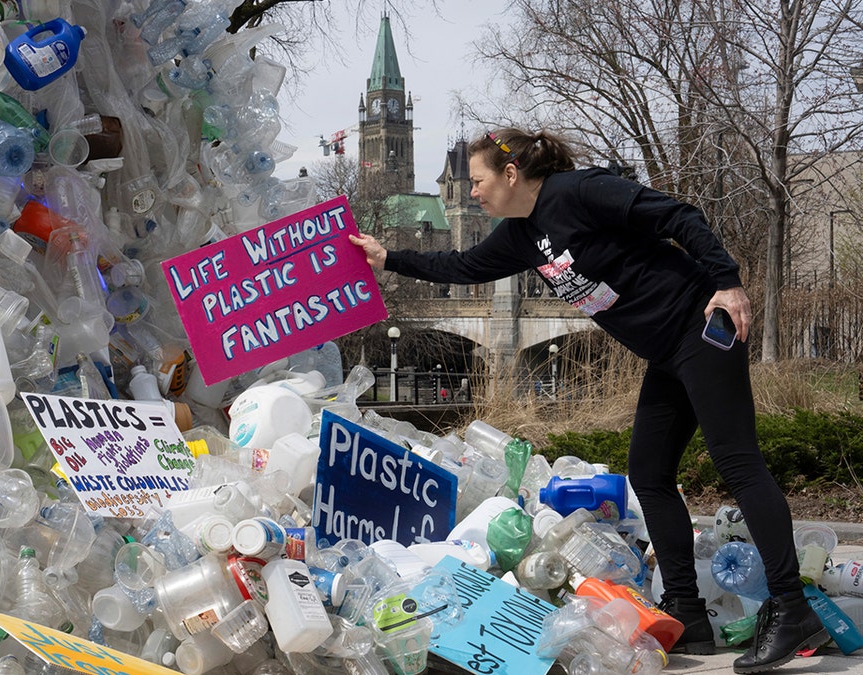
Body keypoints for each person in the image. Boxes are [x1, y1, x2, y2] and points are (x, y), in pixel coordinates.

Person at [350, 128, 826, 674]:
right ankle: (688, 613)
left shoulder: (579, 192)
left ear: (510, 173)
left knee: (738, 464)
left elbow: (679, 216)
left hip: (699, 328)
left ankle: (793, 608)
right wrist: (387, 257)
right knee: (648, 474)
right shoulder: (521, 235)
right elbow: (462, 266)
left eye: (477, 181)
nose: (472, 192)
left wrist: (728, 282)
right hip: (665, 353)